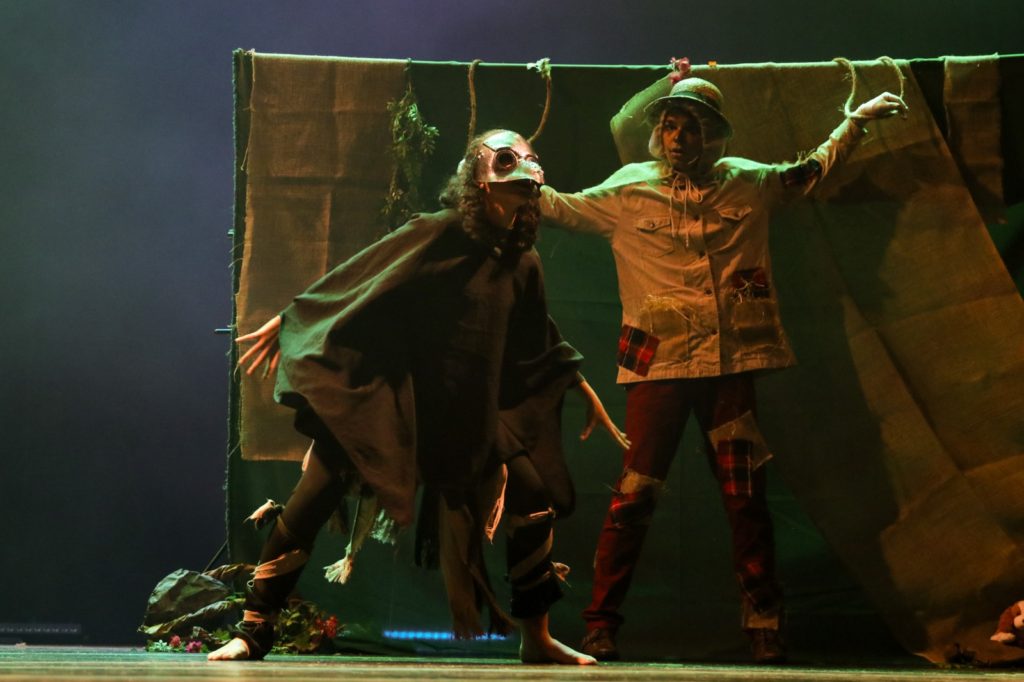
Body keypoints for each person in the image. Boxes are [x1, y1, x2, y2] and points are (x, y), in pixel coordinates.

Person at [207, 129, 629, 665]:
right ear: (480, 179)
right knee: (317, 491)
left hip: (468, 412)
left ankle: (537, 639)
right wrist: (297, 317)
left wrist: (581, 385)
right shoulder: (439, 231)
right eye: (507, 162)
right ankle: (253, 630)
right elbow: (360, 279)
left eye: (530, 164)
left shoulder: (522, 261)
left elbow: (537, 342)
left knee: (533, 494)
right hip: (396, 401)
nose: (524, 174)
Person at [538, 76, 908, 663]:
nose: (677, 137)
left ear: (713, 134)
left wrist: (854, 122)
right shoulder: (629, 189)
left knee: (745, 495)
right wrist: (507, 174)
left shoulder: (747, 181)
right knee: (634, 495)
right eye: (669, 125)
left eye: (690, 127)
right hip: (659, 365)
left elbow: (808, 172)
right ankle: (600, 624)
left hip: (730, 362)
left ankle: (764, 624)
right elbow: (559, 207)